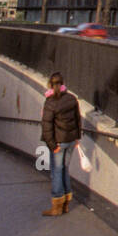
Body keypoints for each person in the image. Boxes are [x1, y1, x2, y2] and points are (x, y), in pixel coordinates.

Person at [40, 71, 82, 217]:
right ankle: (65, 204)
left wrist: (52, 145)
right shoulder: (71, 99)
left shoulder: (50, 102)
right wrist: (77, 138)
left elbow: (46, 126)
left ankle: (57, 206)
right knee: (64, 169)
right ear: (63, 84)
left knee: (57, 171)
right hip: (70, 141)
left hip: (58, 142)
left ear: (50, 85)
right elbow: (77, 119)